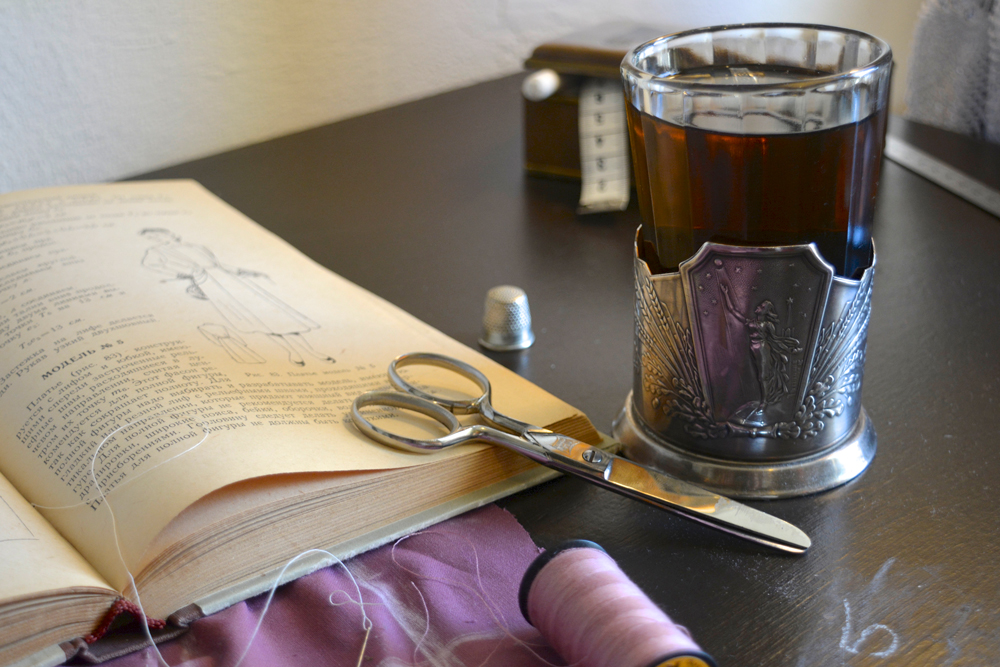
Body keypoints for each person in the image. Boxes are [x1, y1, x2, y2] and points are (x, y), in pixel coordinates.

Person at [140, 228, 335, 366]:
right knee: (261, 322)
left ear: (169, 233)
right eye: (152, 237)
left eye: (158, 234)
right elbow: (152, 265)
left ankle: (312, 351)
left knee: (279, 317)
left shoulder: (196, 246)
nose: (157, 238)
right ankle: (293, 351)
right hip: (209, 283)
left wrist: (247, 272)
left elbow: (221, 265)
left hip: (232, 280)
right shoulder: (156, 252)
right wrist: (183, 273)